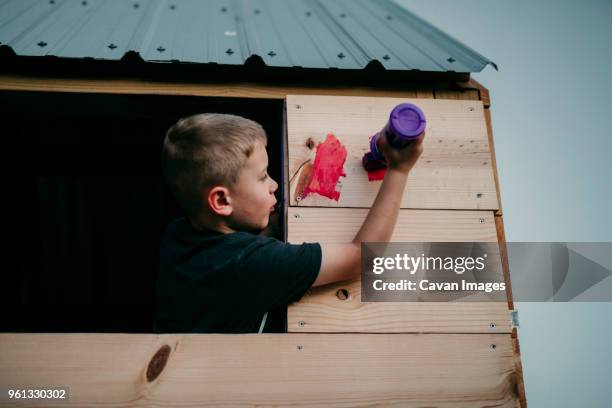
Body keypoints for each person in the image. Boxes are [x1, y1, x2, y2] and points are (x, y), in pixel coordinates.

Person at [153, 113, 424, 333]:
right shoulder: (254, 265)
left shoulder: (176, 235)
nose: (275, 185)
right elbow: (360, 258)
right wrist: (399, 170)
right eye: (262, 178)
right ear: (222, 201)